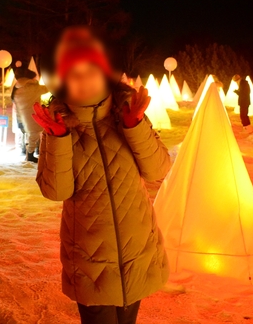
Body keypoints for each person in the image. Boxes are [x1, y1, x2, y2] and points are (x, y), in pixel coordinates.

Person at [32, 27, 171, 324]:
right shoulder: (60, 124)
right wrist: (58, 138)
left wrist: (135, 126)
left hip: (138, 250)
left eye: (91, 71)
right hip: (90, 259)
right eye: (73, 74)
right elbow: (56, 192)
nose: (83, 81)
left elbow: (158, 170)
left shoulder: (127, 112)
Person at [13, 69, 48, 162]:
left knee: (31, 134)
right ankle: (30, 154)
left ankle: (28, 152)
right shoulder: (34, 88)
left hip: (22, 116)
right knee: (34, 134)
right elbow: (48, 88)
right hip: (33, 114)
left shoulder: (18, 89)